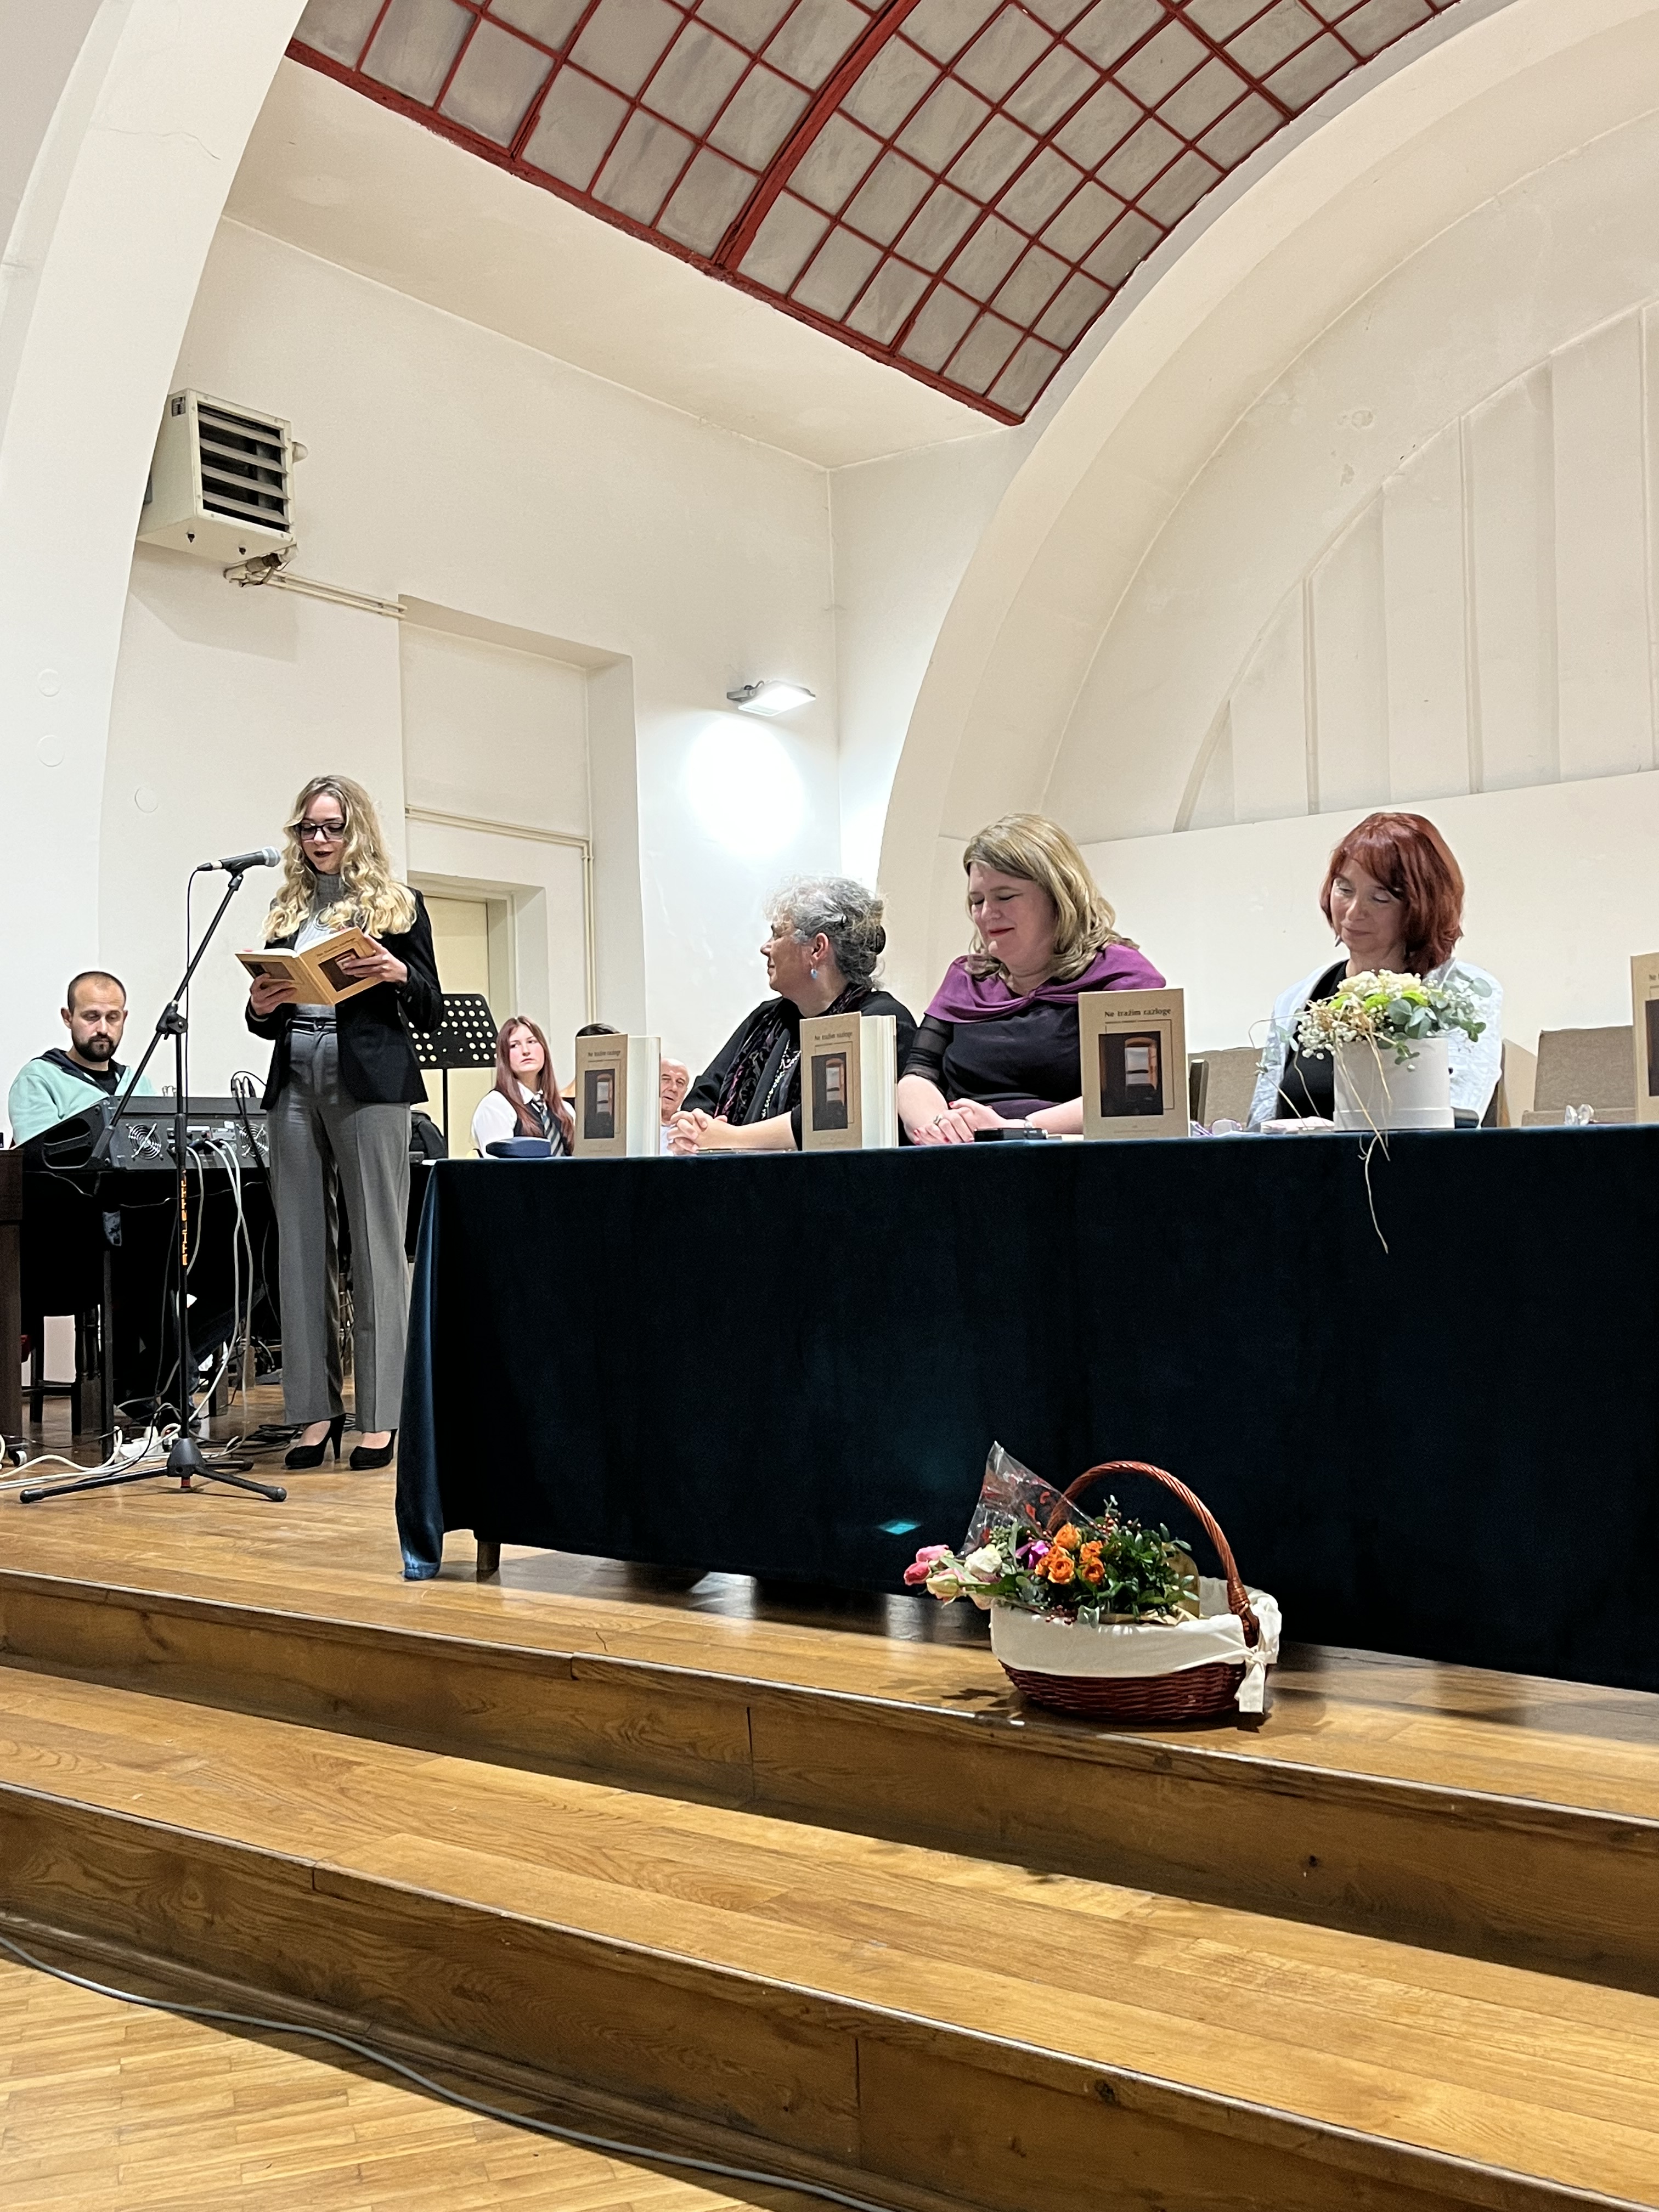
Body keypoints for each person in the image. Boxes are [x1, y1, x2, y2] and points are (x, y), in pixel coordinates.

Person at [245, 774, 441, 1471]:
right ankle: (314, 1413)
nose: (320, 839)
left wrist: (396, 972)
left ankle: (381, 1416)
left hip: (370, 1082)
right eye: (309, 828)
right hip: (296, 1076)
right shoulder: (287, 909)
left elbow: (431, 1007)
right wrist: (261, 1006)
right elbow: (263, 1016)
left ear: (356, 830)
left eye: (332, 827)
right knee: (300, 1248)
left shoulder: (398, 905)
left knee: (377, 1244)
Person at [898, 815, 1165, 1142]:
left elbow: (1135, 1091)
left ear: (1058, 896)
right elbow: (918, 1073)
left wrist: (1016, 1128)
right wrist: (939, 1127)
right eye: (977, 901)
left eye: (1005, 897)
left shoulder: (1119, 975)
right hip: (968, 1154)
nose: (987, 913)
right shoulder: (966, 979)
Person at [1248, 810, 1503, 1127]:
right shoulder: (1298, 999)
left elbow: (1458, 1116)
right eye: (1344, 890)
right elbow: (1261, 1126)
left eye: (1380, 898)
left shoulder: (1461, 993)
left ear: (1421, 907)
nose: (1353, 913)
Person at [671, 878, 916, 1154]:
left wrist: (732, 1138)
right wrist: (694, 1127)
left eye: (777, 935)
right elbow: (704, 1093)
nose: (766, 948)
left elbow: (827, 1119)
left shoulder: (878, 1019)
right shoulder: (766, 1018)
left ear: (817, 949)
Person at [7, 971, 156, 1144]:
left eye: (113, 1018)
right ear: (68, 1017)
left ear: (124, 1018)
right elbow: (41, 1154)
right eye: (92, 1017)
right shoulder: (38, 1079)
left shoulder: (138, 1083)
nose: (103, 1029)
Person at [472, 1016, 573, 1154]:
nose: (526, 1051)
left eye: (532, 1042)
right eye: (514, 1045)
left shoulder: (565, 1110)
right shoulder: (496, 1106)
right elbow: (498, 1165)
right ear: (504, 1056)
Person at [659, 1057, 690, 1154]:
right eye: (666, 1079)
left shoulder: (689, 1130)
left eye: (680, 1083)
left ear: (685, 1092)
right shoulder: (631, 1125)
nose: (674, 1088)